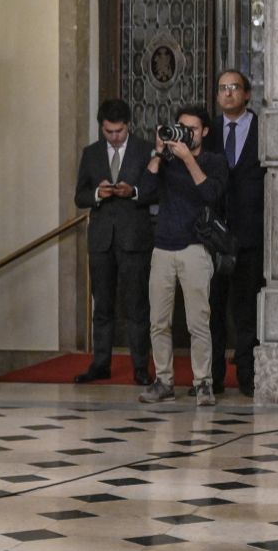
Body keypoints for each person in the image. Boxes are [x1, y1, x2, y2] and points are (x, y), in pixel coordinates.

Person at [136, 104, 227, 406]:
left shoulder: (213, 161)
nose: (185, 134)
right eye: (180, 128)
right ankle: (164, 381)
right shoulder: (166, 161)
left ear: (204, 132)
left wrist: (189, 160)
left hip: (195, 248)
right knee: (158, 321)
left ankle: (203, 384)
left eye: (192, 130)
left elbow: (211, 195)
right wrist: (158, 154)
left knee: (198, 322)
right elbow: (145, 192)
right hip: (162, 247)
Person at [72, 98, 156, 386]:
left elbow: (156, 191)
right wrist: (98, 194)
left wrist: (133, 192)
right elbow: (79, 195)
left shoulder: (145, 150)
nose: (115, 137)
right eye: (109, 132)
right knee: (103, 305)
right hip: (101, 240)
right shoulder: (91, 153)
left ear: (128, 125)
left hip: (134, 238)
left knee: (137, 305)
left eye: (119, 131)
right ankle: (101, 363)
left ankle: (141, 367)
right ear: (101, 128)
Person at [204, 70, 264, 397]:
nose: (228, 93)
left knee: (246, 311)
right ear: (217, 95)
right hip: (213, 237)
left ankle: (247, 375)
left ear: (247, 94)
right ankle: (212, 377)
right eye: (223, 88)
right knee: (213, 308)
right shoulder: (209, 132)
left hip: (249, 236)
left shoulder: (262, 128)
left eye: (234, 88)